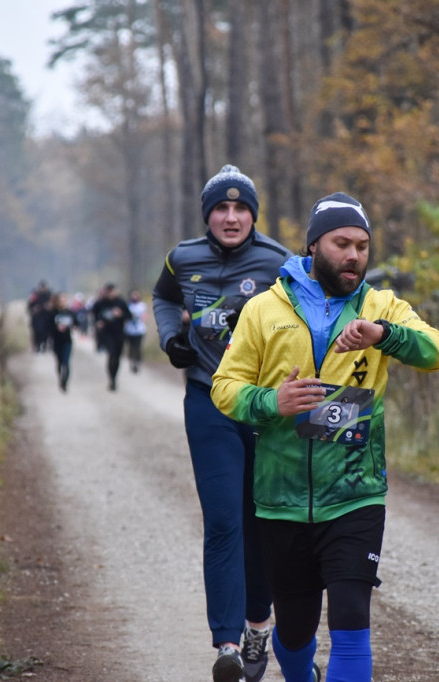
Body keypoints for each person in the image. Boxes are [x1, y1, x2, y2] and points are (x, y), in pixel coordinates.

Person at [210, 192, 439, 682]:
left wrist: (383, 334)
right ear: (315, 245)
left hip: (355, 493)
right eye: (342, 243)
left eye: (363, 245)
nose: (354, 255)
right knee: (295, 633)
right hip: (280, 498)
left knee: (350, 617)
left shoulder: (380, 305)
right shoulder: (262, 309)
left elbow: (437, 352)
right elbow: (224, 387)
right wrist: (272, 402)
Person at [152, 164, 292, 682]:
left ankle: (259, 627)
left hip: (261, 406)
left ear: (253, 214)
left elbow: (307, 317)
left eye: (241, 208)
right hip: (208, 401)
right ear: (207, 213)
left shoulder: (279, 261)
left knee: (260, 523)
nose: (231, 217)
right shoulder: (182, 257)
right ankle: (228, 644)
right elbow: (164, 297)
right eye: (221, 208)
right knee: (223, 522)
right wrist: (173, 340)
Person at [90, 282, 132, 391]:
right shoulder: (101, 303)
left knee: (117, 357)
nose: (111, 294)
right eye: (108, 292)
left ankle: (114, 376)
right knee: (111, 355)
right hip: (107, 334)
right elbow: (93, 314)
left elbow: (129, 316)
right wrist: (98, 322)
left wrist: (120, 314)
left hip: (119, 333)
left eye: (112, 291)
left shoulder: (121, 302)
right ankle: (111, 379)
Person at [46, 292, 79, 392]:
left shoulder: (69, 312)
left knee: (66, 362)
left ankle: (65, 382)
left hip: (67, 340)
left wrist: (72, 326)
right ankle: (60, 378)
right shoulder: (52, 313)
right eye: (61, 299)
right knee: (60, 362)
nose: (63, 301)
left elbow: (76, 323)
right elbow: (47, 327)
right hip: (56, 341)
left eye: (65, 299)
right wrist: (57, 328)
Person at [124, 290, 148, 373]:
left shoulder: (142, 306)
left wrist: (143, 318)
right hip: (129, 330)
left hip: (139, 330)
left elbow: (145, 316)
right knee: (131, 347)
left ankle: (137, 363)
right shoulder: (128, 305)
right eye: (133, 295)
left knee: (138, 348)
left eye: (136, 295)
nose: (134, 297)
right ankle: (131, 361)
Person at [27, 280, 52, 352]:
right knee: (37, 332)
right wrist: (34, 309)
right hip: (37, 317)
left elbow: (52, 306)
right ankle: (37, 346)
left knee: (46, 333)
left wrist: (49, 307)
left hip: (47, 317)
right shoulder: (35, 295)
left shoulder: (49, 295)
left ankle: (44, 345)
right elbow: (30, 306)